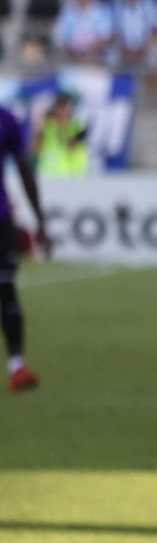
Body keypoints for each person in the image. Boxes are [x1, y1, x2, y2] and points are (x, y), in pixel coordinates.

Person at [0, 102, 47, 392]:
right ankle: (17, 365)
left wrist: (39, 219)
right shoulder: (6, 119)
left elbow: (24, 170)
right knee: (6, 289)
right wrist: (40, 219)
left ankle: (17, 366)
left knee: (6, 288)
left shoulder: (7, 120)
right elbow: (25, 171)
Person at [34, 94, 89, 178]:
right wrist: (40, 127)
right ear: (55, 109)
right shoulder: (47, 127)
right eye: (61, 108)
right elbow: (36, 149)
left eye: (66, 108)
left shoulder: (76, 127)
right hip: (49, 174)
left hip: (74, 175)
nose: (63, 112)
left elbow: (73, 145)